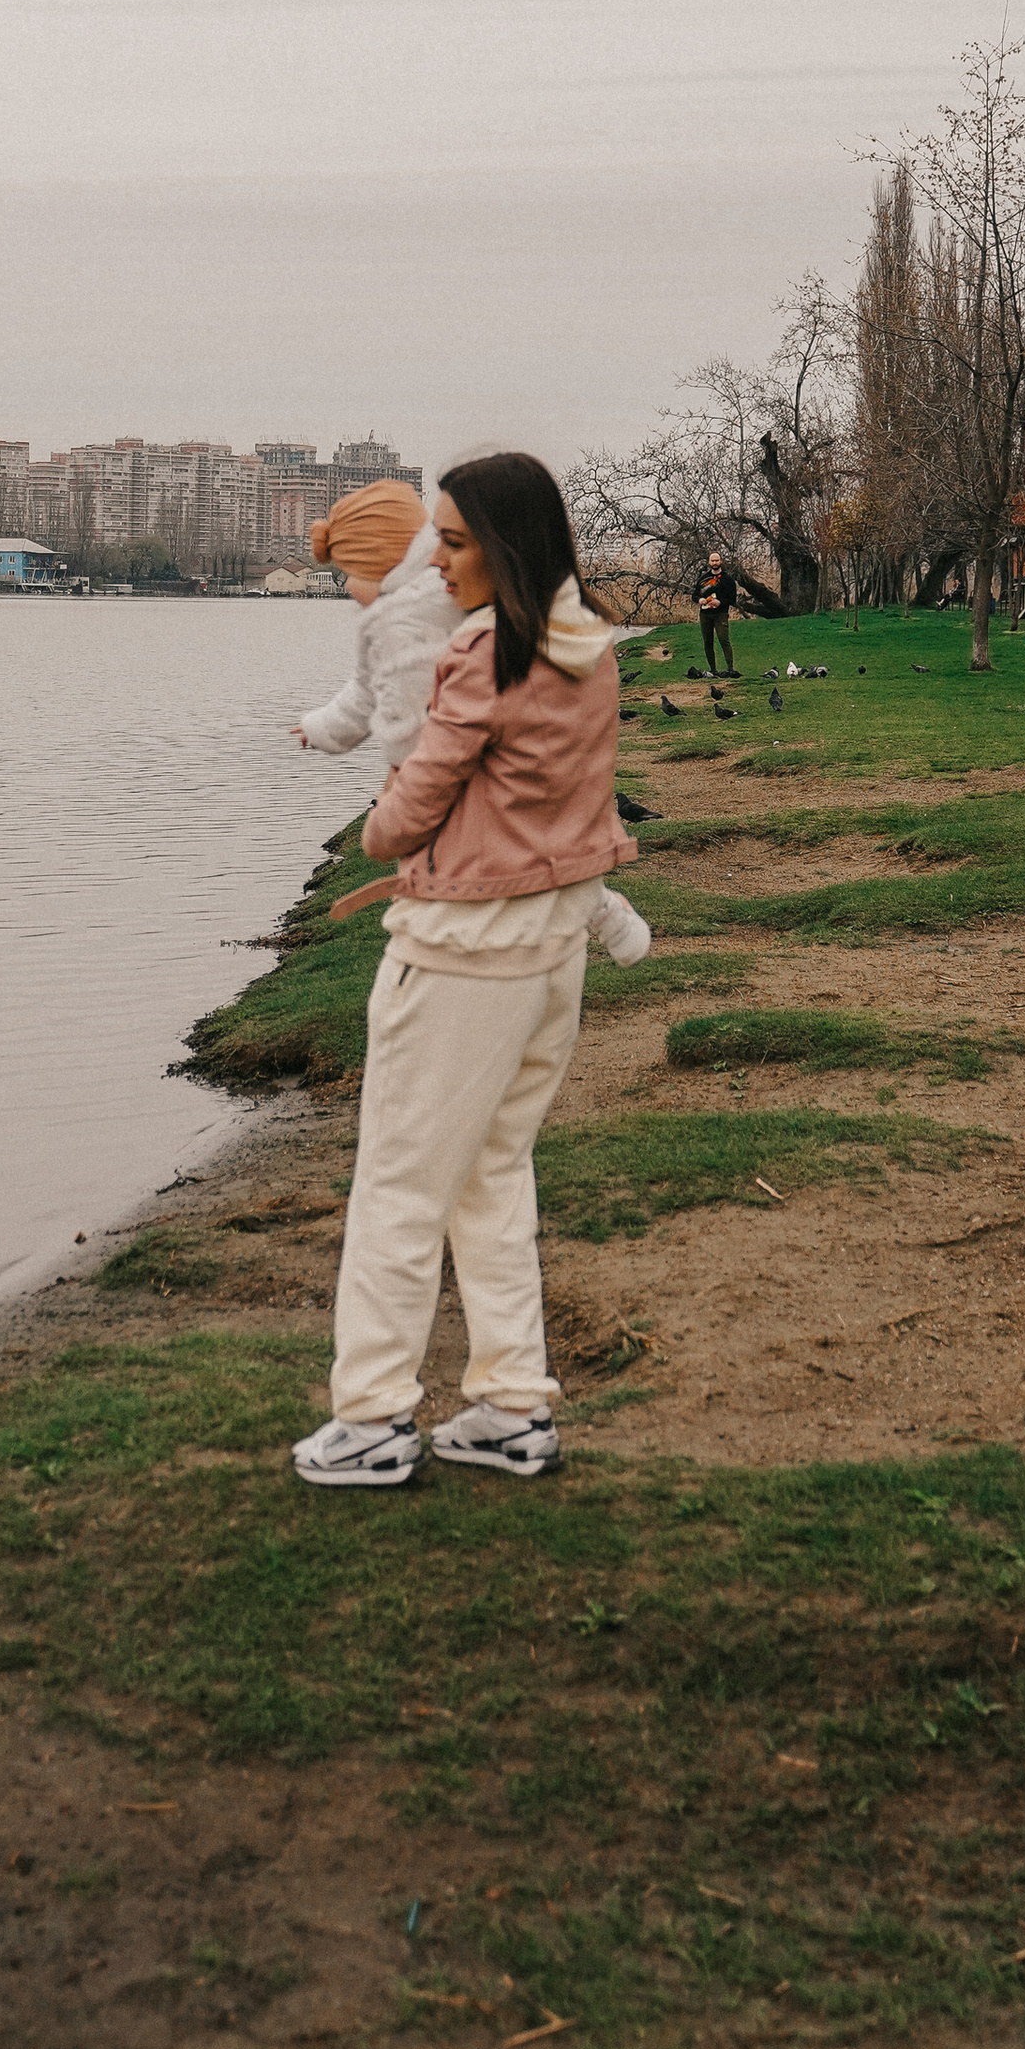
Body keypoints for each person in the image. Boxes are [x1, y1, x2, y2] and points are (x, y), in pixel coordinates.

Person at [292, 451, 639, 1495]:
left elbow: (400, 817)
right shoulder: (589, 647)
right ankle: (510, 1407)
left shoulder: (482, 660)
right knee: (492, 1175)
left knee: (398, 1185)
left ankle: (371, 1419)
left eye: (450, 543)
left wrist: (387, 820)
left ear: (502, 549)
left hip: (462, 955)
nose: (433, 563)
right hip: (550, 953)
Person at [291, 479, 457, 768]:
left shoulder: (399, 621)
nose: (347, 587)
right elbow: (367, 688)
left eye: (349, 573)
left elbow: (390, 710)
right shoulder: (442, 591)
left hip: (432, 765)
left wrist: (402, 775)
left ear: (377, 565)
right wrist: (319, 726)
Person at [695, 545, 738, 681]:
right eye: (712, 561)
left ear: (721, 562)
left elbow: (732, 599)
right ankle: (712, 669)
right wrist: (700, 599)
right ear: (709, 562)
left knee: (724, 640)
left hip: (720, 614)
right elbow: (694, 595)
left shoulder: (727, 579)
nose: (715, 563)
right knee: (708, 642)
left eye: (717, 560)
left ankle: (730, 668)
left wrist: (720, 602)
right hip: (705, 615)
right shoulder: (702, 579)